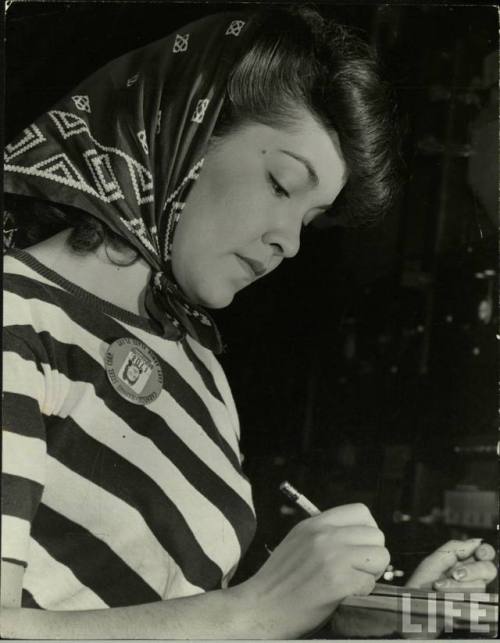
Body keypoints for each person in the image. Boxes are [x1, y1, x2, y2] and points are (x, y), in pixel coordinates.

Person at [2, 6, 496, 639]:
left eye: (310, 220)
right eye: (283, 184)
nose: (289, 242)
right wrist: (256, 610)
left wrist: (377, 619)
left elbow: (191, 621)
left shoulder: (200, 365)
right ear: (179, 132)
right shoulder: (15, 311)